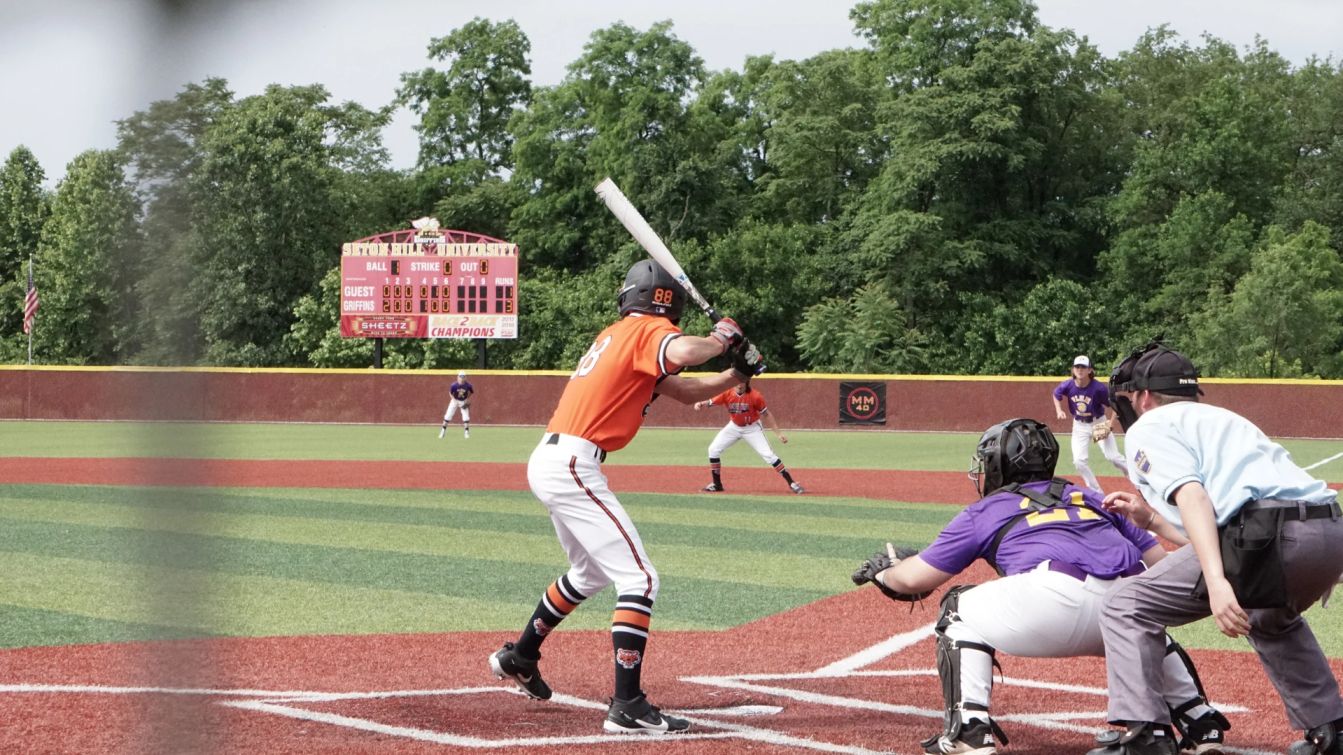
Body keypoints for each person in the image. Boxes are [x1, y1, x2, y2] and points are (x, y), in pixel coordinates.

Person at [487, 259, 763, 735]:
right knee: (640, 579)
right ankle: (628, 704)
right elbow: (687, 350)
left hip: (557, 459)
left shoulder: (619, 334)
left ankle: (521, 655)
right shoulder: (646, 331)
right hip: (574, 462)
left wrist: (737, 371)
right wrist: (721, 339)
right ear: (666, 301)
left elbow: (681, 389)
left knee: (588, 572)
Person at [853, 417, 1229, 755]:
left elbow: (914, 579)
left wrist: (882, 573)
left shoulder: (986, 509)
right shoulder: (1089, 496)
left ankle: (969, 731)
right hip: (1123, 603)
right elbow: (1159, 567)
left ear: (999, 465)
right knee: (1141, 615)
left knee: (957, 606)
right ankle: (1201, 722)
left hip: (1052, 602)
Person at [1086, 342, 1343, 755]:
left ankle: (1146, 738)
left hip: (1270, 537)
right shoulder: (1225, 419)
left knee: (1124, 603)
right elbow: (1231, 532)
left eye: (1130, 397)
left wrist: (1219, 583)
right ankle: (1331, 730)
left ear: (1144, 397)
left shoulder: (1149, 426)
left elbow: (1194, 497)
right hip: (1328, 531)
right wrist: (1152, 521)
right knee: (1269, 616)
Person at [693, 378, 804, 494]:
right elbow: (711, 401)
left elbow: (766, 414)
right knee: (713, 449)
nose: (739, 385)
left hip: (752, 428)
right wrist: (701, 404)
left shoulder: (755, 396)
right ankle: (717, 484)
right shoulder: (727, 393)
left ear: (746, 383)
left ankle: (792, 483)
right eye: (736, 383)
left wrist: (778, 433)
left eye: (742, 382)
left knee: (769, 455)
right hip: (734, 427)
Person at [1053, 355, 1128, 492]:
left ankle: (1137, 480)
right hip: (1080, 426)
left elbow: (1115, 405)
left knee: (1113, 457)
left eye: (1083, 367)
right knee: (1079, 461)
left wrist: (1110, 424)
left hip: (1098, 423)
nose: (1080, 370)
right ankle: (1097, 492)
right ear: (1073, 369)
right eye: (1077, 367)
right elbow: (1056, 394)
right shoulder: (1068, 385)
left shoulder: (1098, 388)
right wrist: (1059, 410)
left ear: (1090, 370)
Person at [439, 370, 473, 439]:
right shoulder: (454, 385)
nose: (462, 378)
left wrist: (467, 398)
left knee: (466, 417)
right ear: (457, 377)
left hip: (463, 401)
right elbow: (450, 393)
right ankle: (443, 431)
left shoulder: (468, 385)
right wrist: (454, 400)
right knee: (448, 416)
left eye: (463, 377)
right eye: (460, 376)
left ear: (465, 377)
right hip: (454, 400)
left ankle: (466, 432)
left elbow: (471, 392)